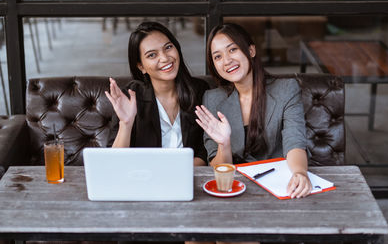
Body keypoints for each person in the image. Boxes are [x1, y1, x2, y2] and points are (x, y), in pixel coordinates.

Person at [195, 23, 312, 198]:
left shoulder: (286, 89)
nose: (227, 60)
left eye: (232, 50)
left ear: (251, 51)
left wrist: (300, 173)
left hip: (280, 186)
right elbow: (218, 167)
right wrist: (224, 143)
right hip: (235, 190)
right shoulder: (212, 99)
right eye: (217, 56)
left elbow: (294, 142)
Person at [106, 21, 209, 166]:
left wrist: (177, 172)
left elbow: (204, 152)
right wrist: (126, 123)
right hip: (144, 181)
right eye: (152, 55)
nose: (165, 58)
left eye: (168, 47)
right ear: (141, 66)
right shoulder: (130, 97)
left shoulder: (199, 90)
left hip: (187, 178)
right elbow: (113, 164)